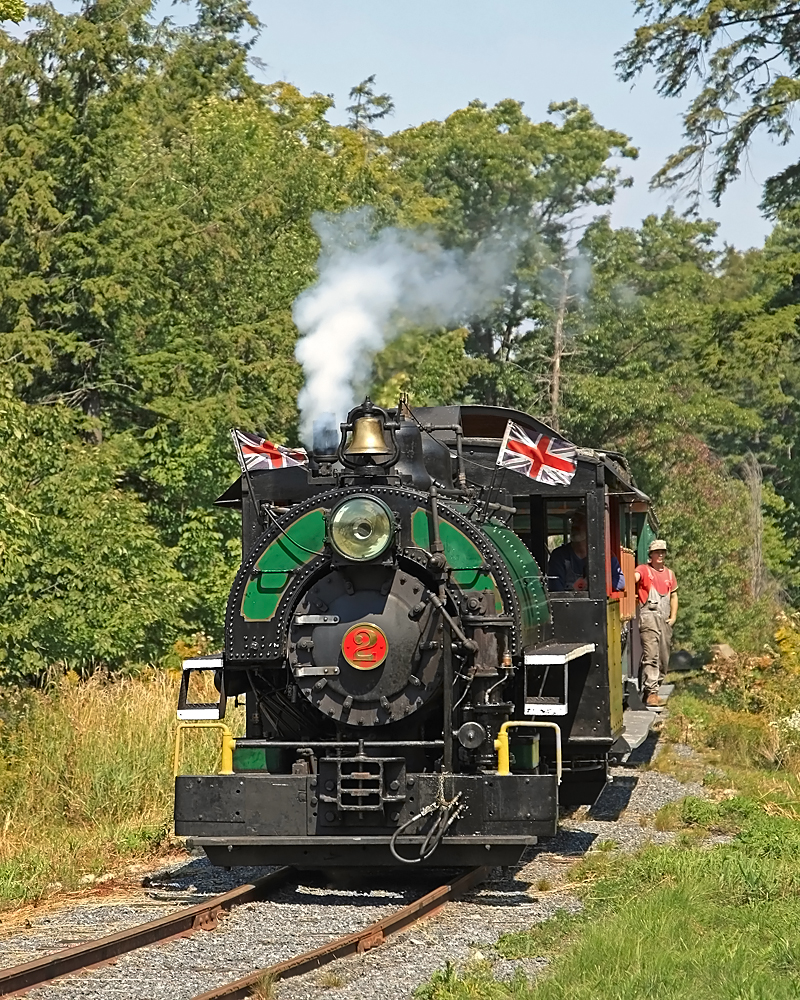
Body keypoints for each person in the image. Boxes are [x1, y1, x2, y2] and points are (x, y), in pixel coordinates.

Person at [634, 539, 678, 708]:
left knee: (664, 657)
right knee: (651, 655)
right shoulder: (644, 570)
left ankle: (655, 688)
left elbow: (673, 596)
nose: (660, 555)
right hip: (649, 617)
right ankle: (651, 693)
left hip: (665, 619)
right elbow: (634, 578)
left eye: (662, 552)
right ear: (650, 554)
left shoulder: (669, 574)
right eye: (657, 552)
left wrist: (673, 616)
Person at [547, 513, 625, 592]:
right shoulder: (559, 556)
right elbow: (555, 589)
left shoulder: (605, 555)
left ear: (592, 526)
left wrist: (592, 586)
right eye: (573, 521)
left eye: (580, 521)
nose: (575, 525)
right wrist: (573, 589)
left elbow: (620, 582)